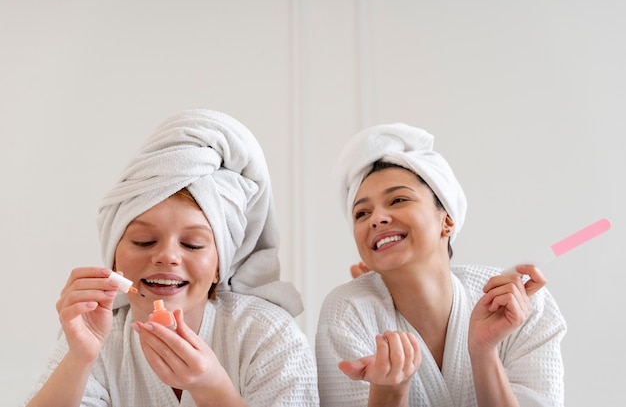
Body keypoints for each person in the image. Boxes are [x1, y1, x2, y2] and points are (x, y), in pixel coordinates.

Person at [23, 109, 319, 407]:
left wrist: (212, 389)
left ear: (220, 266)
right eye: (144, 241)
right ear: (114, 260)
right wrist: (79, 358)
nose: (167, 256)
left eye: (192, 244)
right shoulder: (100, 337)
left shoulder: (266, 334)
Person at [315, 123, 566, 407]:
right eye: (362, 213)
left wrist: (484, 353)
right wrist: (389, 392)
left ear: (447, 220)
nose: (377, 218)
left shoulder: (518, 305)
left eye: (398, 200)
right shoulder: (349, 312)